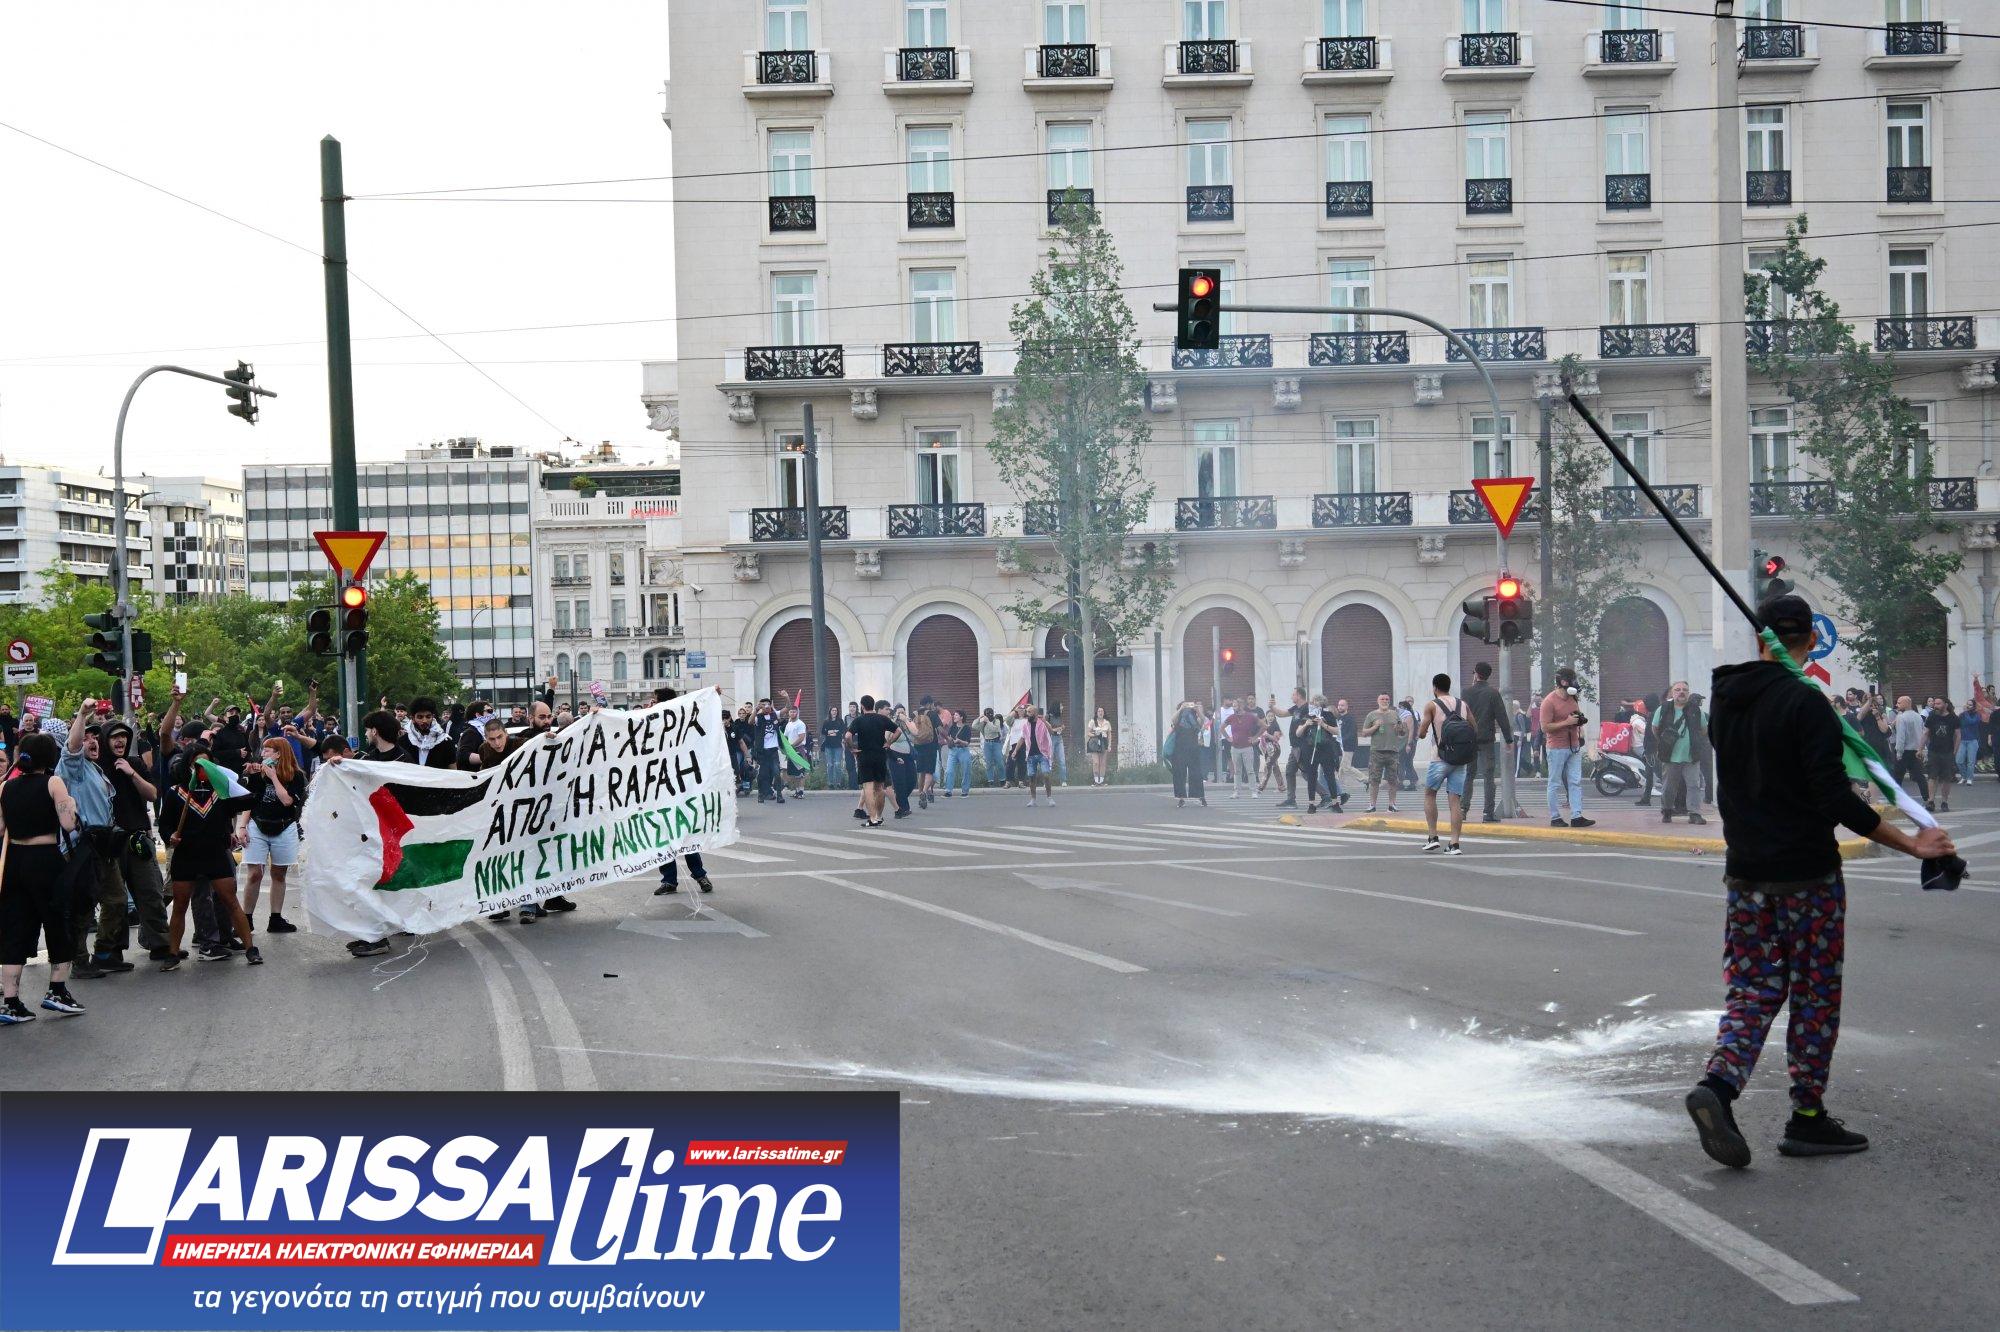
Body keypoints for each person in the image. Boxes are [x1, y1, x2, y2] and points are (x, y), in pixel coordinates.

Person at [1686, 594, 1956, 1168]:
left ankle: (1719, 1086)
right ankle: (1807, 1118)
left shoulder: (1725, 699)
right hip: (1807, 878)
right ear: (1811, 639)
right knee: (1814, 996)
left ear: (1759, 639)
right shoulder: (1806, 702)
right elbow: (1834, 798)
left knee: (1753, 990)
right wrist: (1913, 844)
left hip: (1746, 874)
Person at [158, 730, 261, 970]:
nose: (202, 769)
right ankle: (172, 953)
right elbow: (165, 825)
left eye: (206, 764)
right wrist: (170, 836)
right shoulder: (175, 793)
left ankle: (251, 949)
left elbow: (249, 800)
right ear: (188, 766)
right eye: (197, 764)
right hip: (186, 856)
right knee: (180, 906)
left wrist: (255, 778)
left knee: (231, 902)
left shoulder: (222, 793)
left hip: (215, 854)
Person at [0, 733, 85, 1023]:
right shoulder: (53, 782)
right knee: (58, 922)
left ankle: (11, 1002)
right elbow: (68, 824)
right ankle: (57, 991)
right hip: (45, 859)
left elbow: (1, 829)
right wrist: (70, 804)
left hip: (14, 861)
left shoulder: (5, 787)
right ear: (50, 757)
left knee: (15, 929)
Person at [56, 702, 126, 979]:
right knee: (83, 906)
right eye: (86, 737)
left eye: (95, 736)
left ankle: (103, 953)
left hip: (103, 847)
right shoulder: (73, 767)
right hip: (82, 849)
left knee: (117, 900)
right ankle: (79, 961)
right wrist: (83, 715)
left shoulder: (95, 769)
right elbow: (72, 747)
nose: (92, 740)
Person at [240, 736, 306, 932]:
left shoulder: (296, 775)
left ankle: (275, 918)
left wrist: (274, 777)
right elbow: (249, 803)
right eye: (263, 750)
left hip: (284, 826)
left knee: (279, 874)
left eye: (267, 750)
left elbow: (287, 801)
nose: (263, 754)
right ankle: (246, 919)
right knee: (254, 874)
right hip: (258, 825)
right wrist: (242, 827)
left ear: (278, 754)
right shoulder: (258, 774)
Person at [1416, 673, 1473, 855]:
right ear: (1449, 686)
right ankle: (1454, 844)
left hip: (1439, 758)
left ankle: (1433, 837)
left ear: (1435, 687)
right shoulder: (1463, 704)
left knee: (1430, 794)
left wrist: (1425, 731)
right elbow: (1474, 728)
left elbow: (1422, 733)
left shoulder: (1431, 705)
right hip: (1460, 759)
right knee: (1455, 800)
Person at [1540, 668, 1596, 828]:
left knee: (1575, 782)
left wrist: (1580, 726)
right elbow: (1545, 727)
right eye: (1573, 680)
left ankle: (1576, 816)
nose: (1575, 683)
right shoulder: (1549, 702)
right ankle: (1555, 817)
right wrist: (1566, 723)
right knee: (1554, 782)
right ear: (1564, 682)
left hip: (1574, 746)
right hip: (1556, 747)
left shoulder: (1572, 698)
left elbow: (1576, 716)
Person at [1461, 661, 1514, 824]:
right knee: (1488, 775)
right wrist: (1509, 739)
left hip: (1469, 739)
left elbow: (1461, 714)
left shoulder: (1466, 692)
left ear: (1476, 674)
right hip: (1487, 739)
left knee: (1469, 774)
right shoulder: (1493, 693)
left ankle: (1463, 810)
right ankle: (1488, 813)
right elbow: (1502, 716)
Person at [1652, 681, 1710, 826]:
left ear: (1688, 693)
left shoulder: (1696, 710)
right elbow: (1655, 728)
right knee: (1669, 787)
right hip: (1670, 756)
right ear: (1672, 693)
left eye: (1685, 689)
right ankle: (1667, 810)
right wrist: (1665, 742)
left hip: (1691, 755)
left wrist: (1694, 741)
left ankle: (1694, 814)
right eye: (1678, 689)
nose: (1681, 692)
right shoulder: (1664, 709)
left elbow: (1704, 729)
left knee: (1694, 785)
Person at [848, 695, 898, 827]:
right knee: (880, 787)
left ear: (862, 706)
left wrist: (852, 748)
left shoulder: (859, 720)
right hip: (880, 755)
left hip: (864, 756)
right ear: (873, 705)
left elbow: (847, 736)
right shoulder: (882, 719)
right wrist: (889, 743)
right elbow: (897, 731)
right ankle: (879, 817)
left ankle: (873, 818)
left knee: (868, 787)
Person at [1358, 693, 1407, 813]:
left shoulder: (1395, 714)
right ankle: (1372, 805)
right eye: (1382, 699)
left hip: (1393, 751)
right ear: (1378, 701)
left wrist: (1400, 729)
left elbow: (1402, 732)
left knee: (1393, 780)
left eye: (1387, 699)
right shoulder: (1372, 715)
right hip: (1377, 751)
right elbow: (1364, 733)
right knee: (1374, 779)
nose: (1385, 701)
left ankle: (1392, 805)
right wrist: (1375, 726)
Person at [1888, 694, 1929, 808]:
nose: (1897, 705)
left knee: (1897, 776)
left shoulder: (1901, 717)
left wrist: (1899, 752)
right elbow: (1922, 733)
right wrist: (1921, 749)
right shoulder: (1918, 716)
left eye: (1899, 703)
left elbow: (1901, 736)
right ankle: (1927, 798)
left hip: (1904, 751)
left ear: (1906, 703)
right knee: (1919, 776)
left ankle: (1896, 800)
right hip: (1916, 750)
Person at [1275, 689, 1310, 810]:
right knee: (1291, 772)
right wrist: (1272, 707)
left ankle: (1326, 796)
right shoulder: (1296, 708)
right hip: (1295, 746)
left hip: (1301, 746)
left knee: (1306, 774)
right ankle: (1291, 799)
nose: (1291, 697)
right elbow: (1282, 714)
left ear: (1299, 696)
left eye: (1293, 694)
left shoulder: (1307, 708)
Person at [1168, 701, 1207, 808]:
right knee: (1179, 773)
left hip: (1193, 749)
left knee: (1196, 773)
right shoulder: (1178, 718)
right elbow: (1173, 720)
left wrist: (1197, 709)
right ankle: (1181, 798)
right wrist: (1181, 708)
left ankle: (1200, 796)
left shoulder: (1195, 718)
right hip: (1179, 748)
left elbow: (1203, 720)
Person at [1925, 697, 1959, 812]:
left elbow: (1958, 735)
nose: (1935, 706)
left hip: (1948, 752)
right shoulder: (1932, 716)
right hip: (1933, 751)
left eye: (1938, 703)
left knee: (1946, 778)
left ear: (1945, 704)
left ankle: (1944, 802)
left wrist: (1955, 751)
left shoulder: (1953, 718)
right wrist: (1920, 748)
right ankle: (1931, 801)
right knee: (1932, 777)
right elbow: (1926, 733)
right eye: (1935, 703)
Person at [1022, 705, 1057, 807]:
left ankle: (1049, 798)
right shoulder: (1026, 725)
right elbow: (1022, 738)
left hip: (1042, 754)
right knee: (1032, 777)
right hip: (1030, 755)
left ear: (1035, 713)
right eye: (1027, 712)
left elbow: (1051, 731)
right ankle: (1033, 799)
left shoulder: (1042, 723)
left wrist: (1045, 721)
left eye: (1029, 712)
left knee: (1046, 775)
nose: (1027, 714)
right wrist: (1015, 751)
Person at [1224, 699, 1260, 798]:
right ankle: (1237, 792)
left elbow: (1263, 726)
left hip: (1247, 747)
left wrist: (1255, 737)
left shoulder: (1250, 716)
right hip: (1235, 747)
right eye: (1233, 706)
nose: (1234, 708)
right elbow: (1221, 727)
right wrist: (1228, 737)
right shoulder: (1232, 717)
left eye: (1235, 706)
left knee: (1250, 770)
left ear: (1241, 706)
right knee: (1237, 771)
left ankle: (1253, 791)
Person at [909, 702, 938, 809]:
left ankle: (920, 794)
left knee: (921, 772)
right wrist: (947, 739)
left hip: (918, 746)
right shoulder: (932, 714)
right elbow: (940, 729)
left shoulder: (913, 714)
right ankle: (925, 791)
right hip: (931, 745)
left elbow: (910, 730)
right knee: (929, 771)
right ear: (929, 704)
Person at [942, 708, 974, 798]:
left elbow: (967, 743)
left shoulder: (966, 728)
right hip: (953, 750)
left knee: (966, 771)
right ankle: (948, 791)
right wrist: (948, 741)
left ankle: (965, 791)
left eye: (956, 715)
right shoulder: (952, 727)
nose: (954, 716)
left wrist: (959, 741)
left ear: (961, 717)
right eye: (954, 715)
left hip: (963, 750)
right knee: (949, 771)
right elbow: (948, 738)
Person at [820, 707, 848, 791]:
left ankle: (839, 783)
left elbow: (843, 730)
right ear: (830, 712)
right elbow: (823, 731)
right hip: (828, 746)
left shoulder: (840, 721)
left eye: (836, 710)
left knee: (837, 764)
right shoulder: (826, 721)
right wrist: (832, 732)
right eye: (833, 710)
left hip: (838, 746)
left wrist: (832, 732)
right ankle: (830, 783)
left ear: (837, 712)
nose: (834, 712)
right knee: (830, 765)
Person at [1955, 697, 1981, 786]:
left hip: (1973, 741)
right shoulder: (1962, 715)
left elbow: (1971, 721)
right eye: (1967, 704)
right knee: (1959, 760)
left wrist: (1965, 712)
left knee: (1971, 761)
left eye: (1970, 705)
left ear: (1974, 706)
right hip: (1962, 740)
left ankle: (1969, 778)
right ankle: (1964, 776)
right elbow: (1957, 724)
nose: (1968, 706)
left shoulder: (1977, 715)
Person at [1086, 706, 1114, 785]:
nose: (1100, 713)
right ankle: (1096, 780)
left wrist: (1109, 745)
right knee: (1096, 762)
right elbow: (1088, 733)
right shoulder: (1093, 721)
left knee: (1103, 763)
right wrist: (1095, 734)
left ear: (1104, 713)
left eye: (1102, 711)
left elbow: (1109, 735)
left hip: (1104, 741)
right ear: (1096, 713)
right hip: (1095, 742)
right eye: (1099, 711)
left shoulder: (1107, 722)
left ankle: (1101, 781)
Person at [978, 708, 1005, 786]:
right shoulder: (983, 723)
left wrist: (988, 722)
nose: (989, 715)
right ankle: (990, 781)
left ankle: (1002, 780)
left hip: (996, 743)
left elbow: (995, 729)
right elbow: (974, 726)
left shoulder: (996, 721)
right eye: (987, 714)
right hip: (987, 743)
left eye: (991, 713)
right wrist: (979, 718)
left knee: (999, 762)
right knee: (989, 763)